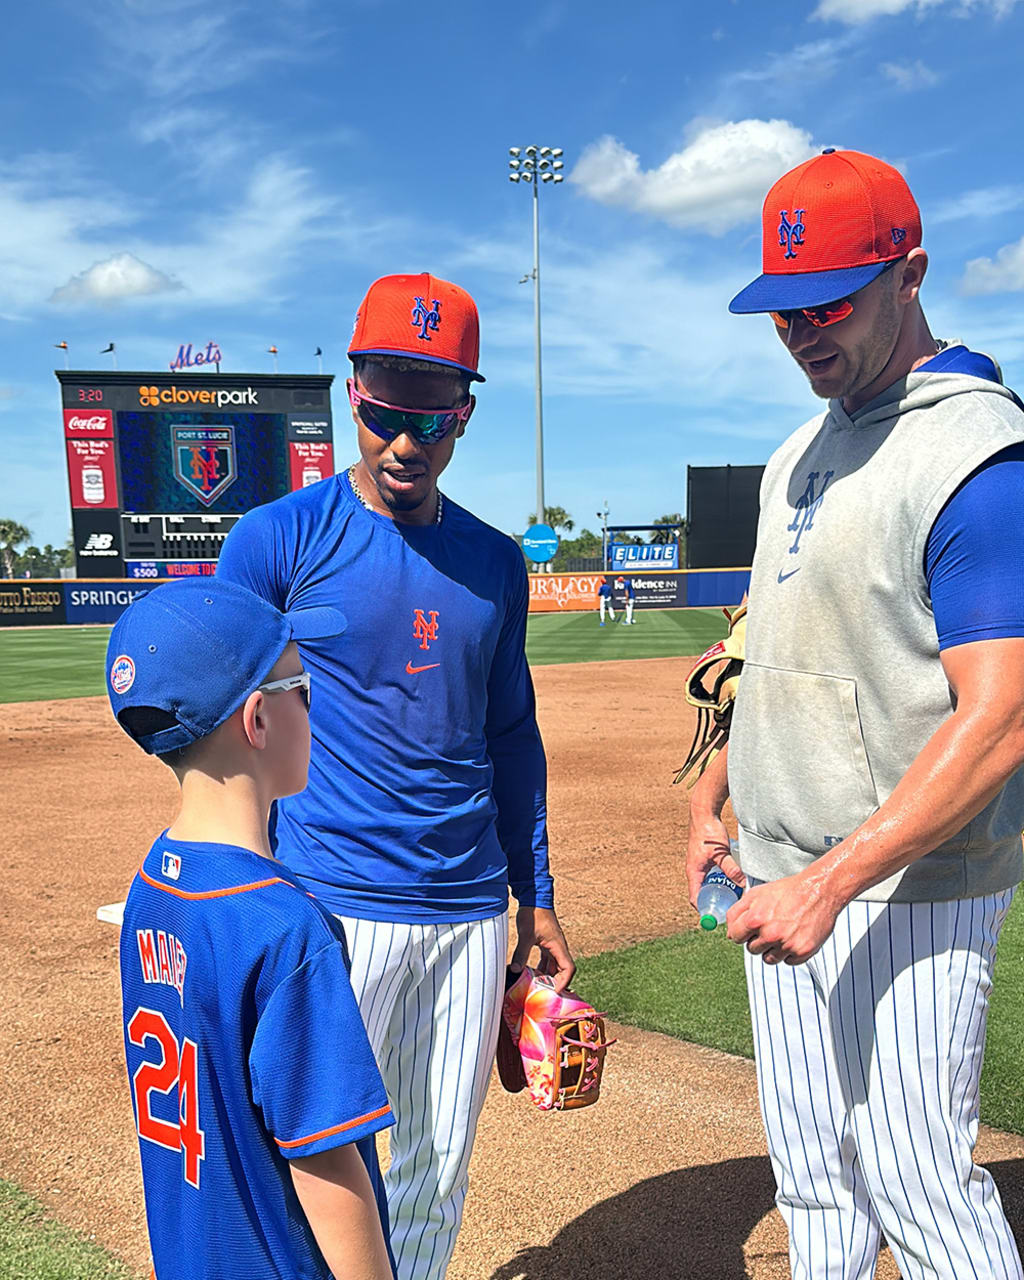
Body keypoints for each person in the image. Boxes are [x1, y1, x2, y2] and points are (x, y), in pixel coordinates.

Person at [687, 148, 1024, 1280]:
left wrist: (834, 881)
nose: (801, 334)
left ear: (910, 273)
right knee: (816, 1182)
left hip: (906, 883)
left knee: (916, 1175)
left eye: (826, 302)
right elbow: (762, 646)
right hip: (779, 869)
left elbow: (1004, 718)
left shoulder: (976, 457)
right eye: (781, 312)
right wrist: (712, 794)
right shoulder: (798, 451)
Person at [217, 272, 574, 1280]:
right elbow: (223, 720)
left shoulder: (494, 561)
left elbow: (512, 734)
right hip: (329, 904)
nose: (406, 438)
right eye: (385, 407)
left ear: (464, 409)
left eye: (434, 412)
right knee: (316, 1159)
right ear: (352, 391)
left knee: (432, 1168)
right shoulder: (277, 539)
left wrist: (532, 895)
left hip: (465, 915)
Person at [108, 578, 396, 1280]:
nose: (313, 704)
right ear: (257, 720)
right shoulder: (285, 930)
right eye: (303, 686)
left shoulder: (150, 886)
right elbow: (323, 1160)